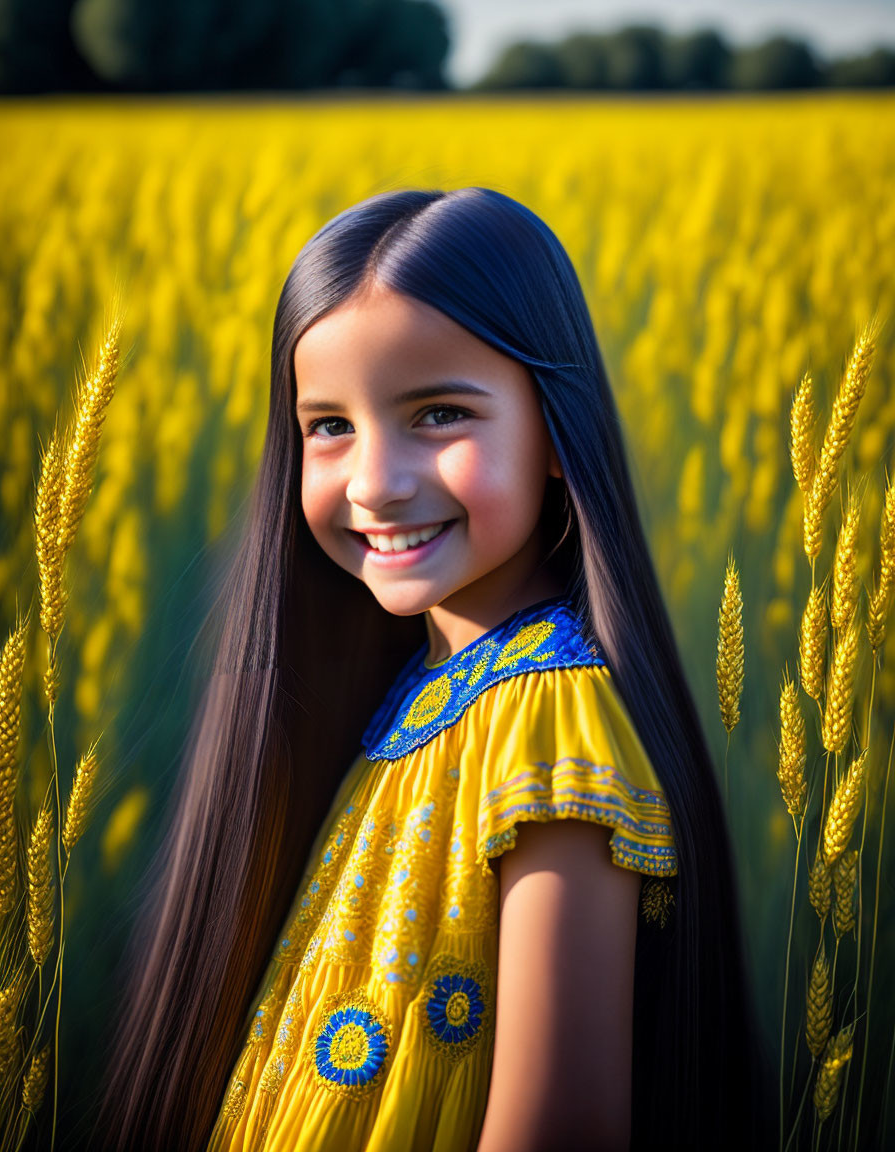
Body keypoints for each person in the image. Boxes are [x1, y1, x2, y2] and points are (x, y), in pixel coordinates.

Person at [89, 187, 775, 1152]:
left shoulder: (549, 725)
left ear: (553, 430)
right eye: (329, 426)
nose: (375, 481)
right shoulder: (411, 700)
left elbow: (561, 1126)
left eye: (439, 412)